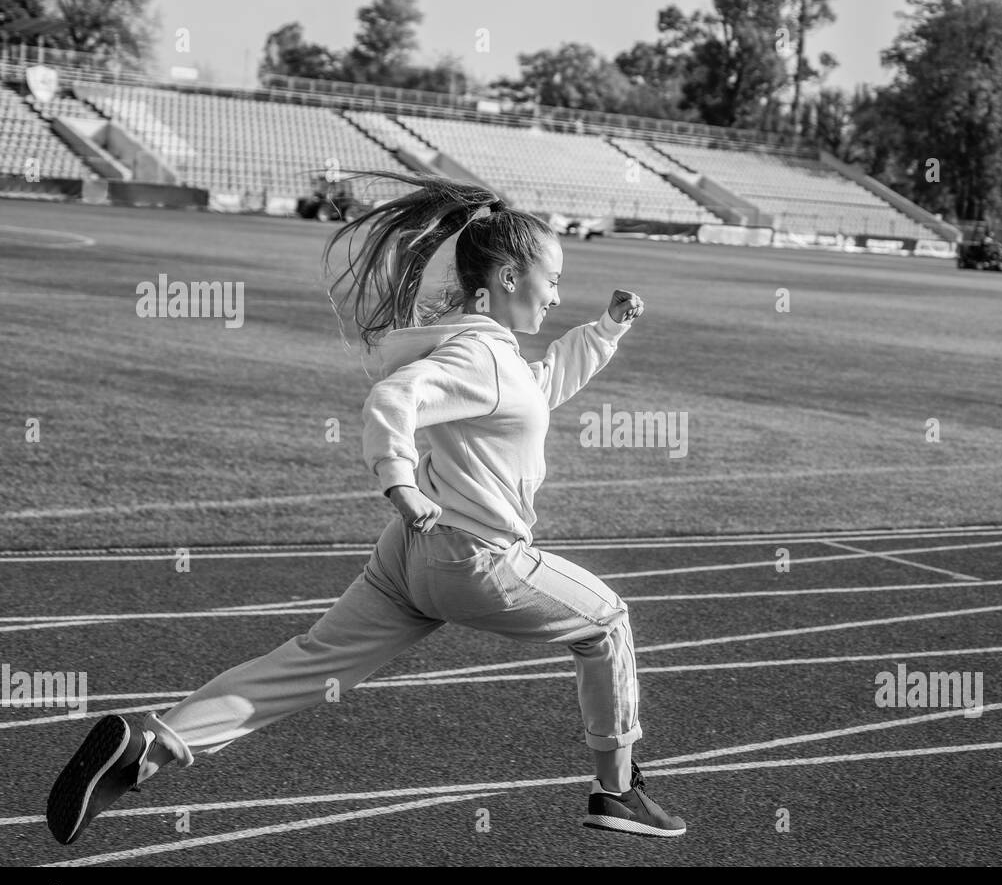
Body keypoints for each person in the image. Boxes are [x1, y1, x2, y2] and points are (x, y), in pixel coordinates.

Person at [46, 173, 686, 846]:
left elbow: (537, 386)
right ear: (504, 275)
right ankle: (616, 790)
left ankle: (153, 743)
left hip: (409, 558)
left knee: (311, 661)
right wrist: (399, 480)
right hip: (475, 558)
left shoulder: (478, 347)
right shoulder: (480, 354)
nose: (557, 295)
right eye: (551, 278)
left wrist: (606, 330)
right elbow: (395, 403)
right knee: (607, 620)